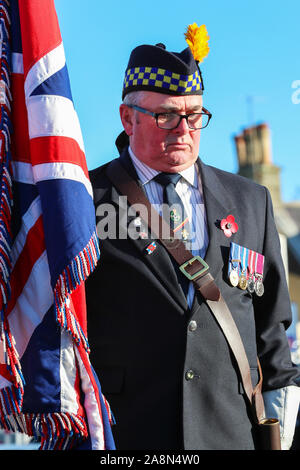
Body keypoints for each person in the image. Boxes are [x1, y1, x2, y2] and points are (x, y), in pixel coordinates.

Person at [85, 23, 300, 450]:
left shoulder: (250, 199)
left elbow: (271, 323)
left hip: (229, 430)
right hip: (125, 432)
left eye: (194, 114)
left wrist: (281, 414)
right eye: (165, 115)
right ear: (127, 118)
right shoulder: (85, 199)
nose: (183, 129)